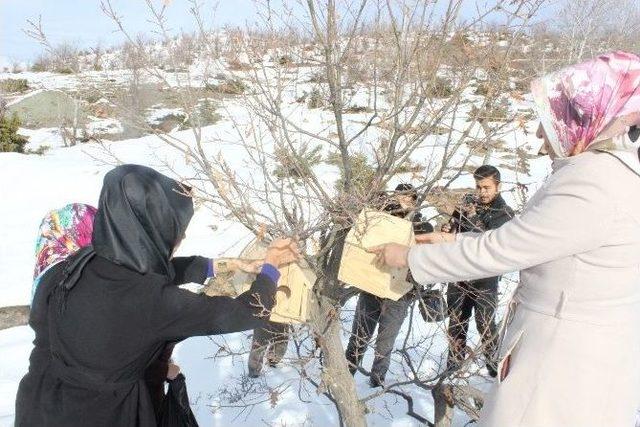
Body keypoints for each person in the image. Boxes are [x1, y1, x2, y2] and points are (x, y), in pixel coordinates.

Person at [369, 51, 640, 426]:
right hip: (577, 355)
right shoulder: (611, 175)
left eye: (550, 120)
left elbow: (504, 248)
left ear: (585, 117)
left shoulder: (593, 182)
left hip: (560, 363)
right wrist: (448, 242)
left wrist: (411, 259)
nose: (539, 133)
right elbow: (528, 240)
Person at [15, 164, 300, 427]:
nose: (181, 238)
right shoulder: (154, 302)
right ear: (148, 231)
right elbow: (248, 312)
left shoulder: (77, 263)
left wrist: (219, 265)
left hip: (41, 402)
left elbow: (143, 275)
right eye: (175, 229)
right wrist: (272, 266)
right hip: (104, 415)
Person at [345, 184, 434, 387]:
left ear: (414, 201)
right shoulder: (382, 220)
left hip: (399, 293)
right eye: (397, 197)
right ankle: (346, 372)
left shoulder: (422, 226)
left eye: (405, 198)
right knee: (359, 335)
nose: (400, 201)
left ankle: (377, 381)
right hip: (372, 286)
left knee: (385, 342)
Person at [443, 166, 514, 377]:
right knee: (456, 321)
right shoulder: (468, 202)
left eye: (486, 187)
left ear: (498, 186)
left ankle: (493, 367)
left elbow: (489, 241)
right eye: (478, 187)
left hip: (486, 278)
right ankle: (453, 366)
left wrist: (473, 216)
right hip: (460, 273)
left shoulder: (504, 212)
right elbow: (454, 225)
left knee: (485, 324)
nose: (482, 192)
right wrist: (449, 228)